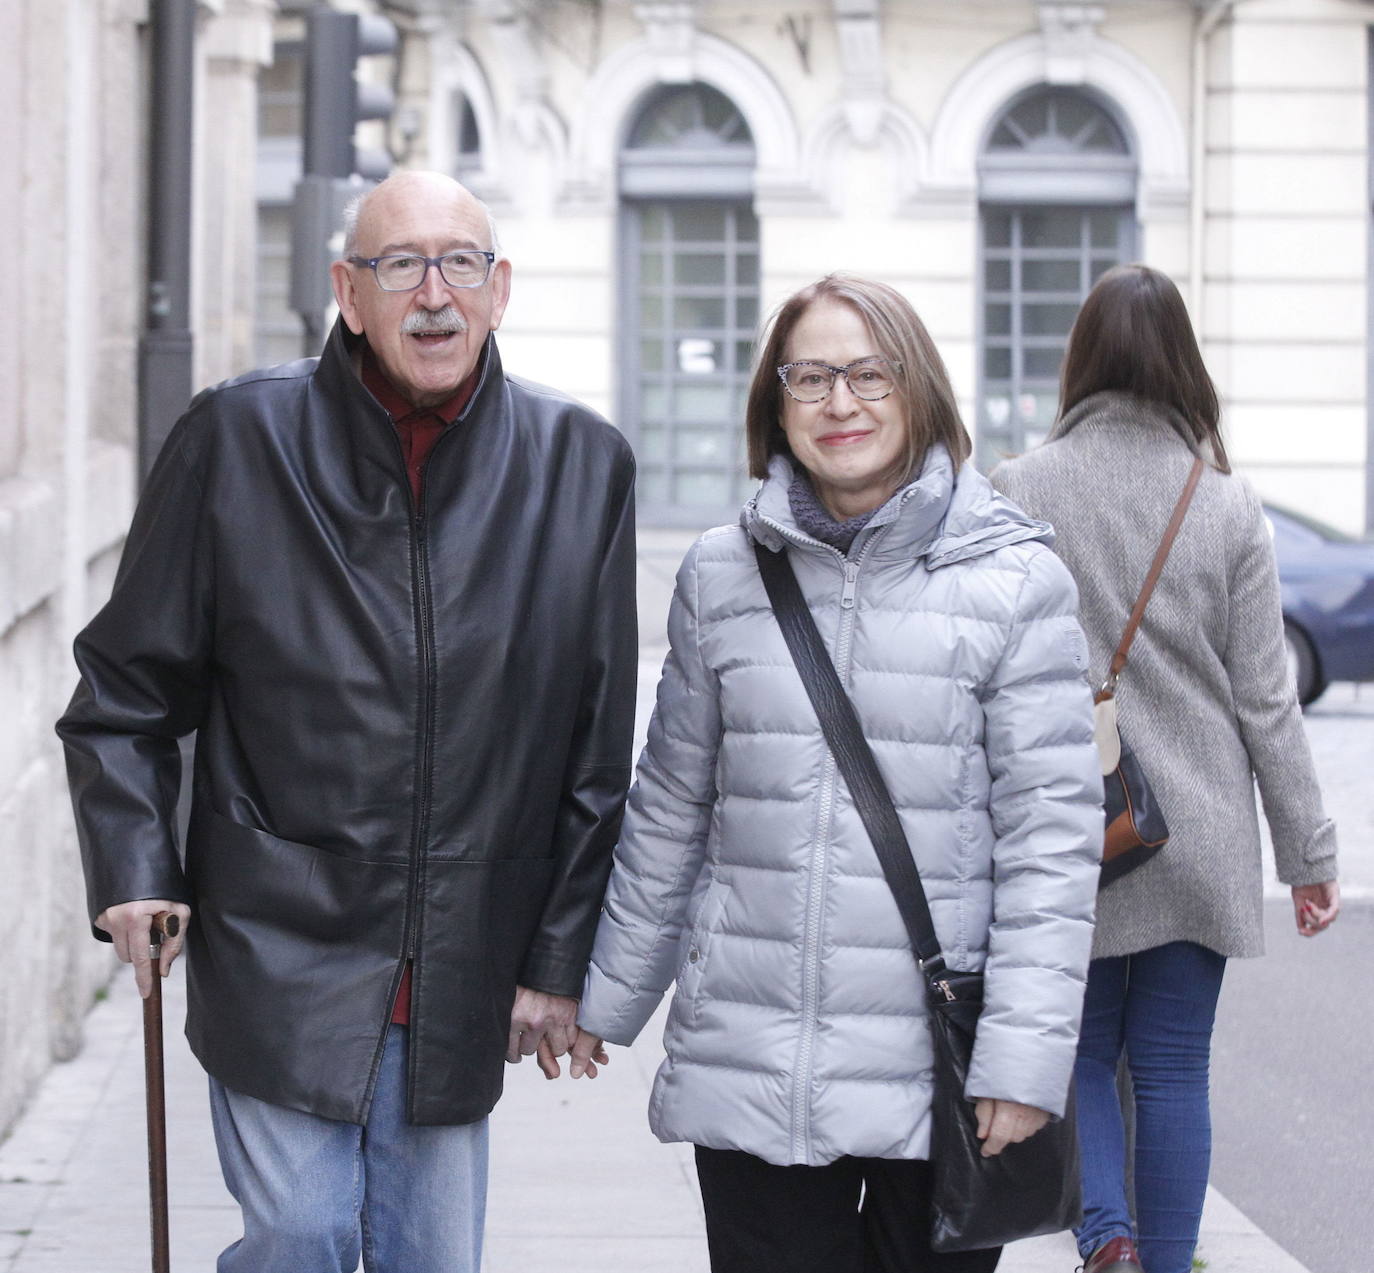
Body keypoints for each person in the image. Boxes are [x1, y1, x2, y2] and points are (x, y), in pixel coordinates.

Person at [56, 170, 637, 1273]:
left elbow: (596, 749)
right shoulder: (238, 438)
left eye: (460, 263)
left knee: (428, 1258)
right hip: (281, 936)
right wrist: (134, 865)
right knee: (302, 1232)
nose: (433, 294)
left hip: (465, 947)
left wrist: (558, 959)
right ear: (348, 291)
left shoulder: (580, 466)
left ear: (499, 288)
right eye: (398, 265)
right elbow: (123, 691)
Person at [565, 273, 1104, 1273]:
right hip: (754, 1050)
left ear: (919, 390)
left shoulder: (1015, 579)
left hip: (937, 1070)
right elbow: (673, 804)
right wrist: (607, 997)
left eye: (868, 373)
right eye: (808, 377)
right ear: (774, 404)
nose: (839, 402)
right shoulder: (723, 574)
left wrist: (1024, 1060)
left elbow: (1051, 846)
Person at [990, 263, 1340, 1273]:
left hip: (1076, 825)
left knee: (1081, 1053)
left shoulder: (1022, 486)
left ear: (1082, 358)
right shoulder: (1227, 504)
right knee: (1178, 1068)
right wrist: (1308, 852)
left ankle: (1107, 1237)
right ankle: (1170, 1262)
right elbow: (1266, 700)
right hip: (1199, 831)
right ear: (1184, 362)